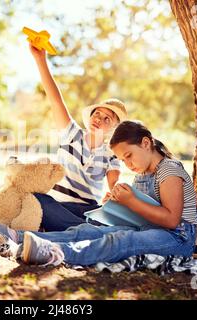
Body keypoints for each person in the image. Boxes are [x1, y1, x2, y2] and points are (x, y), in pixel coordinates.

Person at [0, 120, 197, 267]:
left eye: (129, 156)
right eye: (123, 160)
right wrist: (119, 204)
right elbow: (144, 212)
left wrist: (131, 201)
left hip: (177, 238)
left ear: (146, 143)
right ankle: (19, 238)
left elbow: (171, 220)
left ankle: (54, 252)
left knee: (119, 240)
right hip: (149, 228)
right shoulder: (143, 174)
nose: (127, 164)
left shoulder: (169, 169)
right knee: (87, 230)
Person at [28, 44, 127, 231]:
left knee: (110, 216)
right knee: (36, 200)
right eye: (97, 114)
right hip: (58, 206)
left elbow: (114, 183)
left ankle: (79, 229)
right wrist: (41, 60)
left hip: (89, 210)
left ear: (112, 128)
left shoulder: (111, 154)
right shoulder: (71, 134)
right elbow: (55, 99)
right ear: (90, 116)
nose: (99, 119)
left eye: (107, 119)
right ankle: (86, 231)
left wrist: (114, 195)